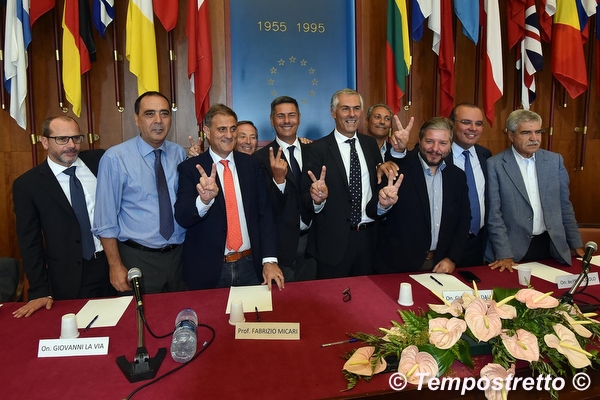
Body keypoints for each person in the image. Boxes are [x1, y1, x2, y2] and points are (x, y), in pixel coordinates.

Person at [175, 104, 285, 290]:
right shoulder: (191, 168)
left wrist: (269, 260)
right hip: (209, 270)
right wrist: (204, 201)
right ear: (207, 132)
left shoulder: (251, 165)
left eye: (233, 129)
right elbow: (182, 217)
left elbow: (265, 214)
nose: (229, 135)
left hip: (251, 265)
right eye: (222, 129)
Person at [13, 116, 112, 318]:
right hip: (69, 276)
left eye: (76, 138)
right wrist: (40, 290)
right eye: (62, 139)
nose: (71, 145)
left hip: (111, 265)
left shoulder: (99, 161)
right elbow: (30, 242)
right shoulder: (28, 185)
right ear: (45, 142)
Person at [93, 91, 187, 294]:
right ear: (136, 119)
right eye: (149, 114)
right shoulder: (115, 158)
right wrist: (115, 265)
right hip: (137, 258)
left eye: (164, 113)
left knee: (180, 311)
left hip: (178, 258)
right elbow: (105, 220)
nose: (158, 120)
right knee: (141, 313)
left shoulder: (179, 153)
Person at [303, 88, 402, 279]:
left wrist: (382, 205)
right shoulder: (317, 149)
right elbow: (306, 196)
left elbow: (376, 190)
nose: (352, 114)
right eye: (345, 109)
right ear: (333, 112)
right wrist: (317, 199)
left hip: (368, 242)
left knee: (366, 296)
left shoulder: (370, 145)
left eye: (356, 108)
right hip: (332, 246)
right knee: (332, 297)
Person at [486, 110, 583, 272]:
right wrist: (504, 253)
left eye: (538, 132)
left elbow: (565, 205)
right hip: (513, 250)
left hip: (552, 246)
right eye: (526, 133)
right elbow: (494, 215)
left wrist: (575, 243)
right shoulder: (495, 165)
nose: (534, 138)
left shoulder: (554, 161)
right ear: (511, 135)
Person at [375, 117, 471, 274]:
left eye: (442, 143)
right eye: (429, 141)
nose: (435, 149)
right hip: (398, 266)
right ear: (420, 141)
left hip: (440, 265)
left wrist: (452, 258)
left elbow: (464, 220)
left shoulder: (457, 176)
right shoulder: (398, 169)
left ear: (450, 145)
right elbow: (372, 210)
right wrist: (383, 205)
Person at [254, 96, 317, 282]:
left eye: (292, 115)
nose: (287, 121)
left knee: (314, 297)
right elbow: (264, 208)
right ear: (272, 119)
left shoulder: (315, 150)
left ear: (299, 117)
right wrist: (279, 180)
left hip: (313, 245)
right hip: (280, 249)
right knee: (284, 299)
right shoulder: (260, 158)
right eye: (280, 116)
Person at [446, 103, 492, 267]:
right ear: (451, 124)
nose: (473, 128)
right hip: (446, 244)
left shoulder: (486, 155)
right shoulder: (438, 153)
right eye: (466, 122)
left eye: (478, 123)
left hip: (479, 243)